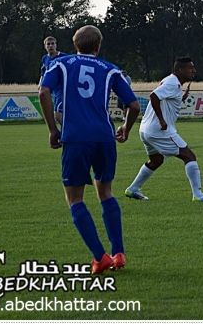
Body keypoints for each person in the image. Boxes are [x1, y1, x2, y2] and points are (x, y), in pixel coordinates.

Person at [39, 25, 140, 275]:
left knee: (75, 198)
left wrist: (53, 129)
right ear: (98, 46)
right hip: (105, 138)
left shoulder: (62, 64)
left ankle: (99, 257)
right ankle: (118, 254)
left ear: (75, 45)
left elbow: (43, 91)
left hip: (76, 138)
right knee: (105, 193)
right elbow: (134, 104)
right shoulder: (110, 69)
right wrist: (125, 128)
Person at [125, 57, 203, 203]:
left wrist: (181, 97)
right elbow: (154, 96)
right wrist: (161, 119)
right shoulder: (173, 83)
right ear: (179, 70)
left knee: (156, 160)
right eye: (190, 68)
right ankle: (198, 195)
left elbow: (165, 98)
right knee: (189, 156)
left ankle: (133, 189)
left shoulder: (172, 81)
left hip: (145, 129)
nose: (193, 70)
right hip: (159, 130)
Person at [39, 36, 68, 124]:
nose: (50, 46)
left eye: (52, 44)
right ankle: (68, 134)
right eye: (48, 44)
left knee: (58, 115)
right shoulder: (45, 58)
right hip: (53, 92)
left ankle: (71, 134)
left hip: (62, 90)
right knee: (59, 116)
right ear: (45, 46)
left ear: (56, 45)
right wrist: (40, 84)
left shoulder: (64, 57)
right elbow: (43, 72)